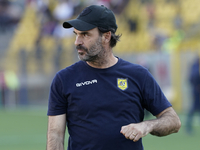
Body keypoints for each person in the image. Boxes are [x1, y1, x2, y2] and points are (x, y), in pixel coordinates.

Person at [47, 5, 181, 150]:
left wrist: (146, 126)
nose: (77, 41)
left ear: (106, 37)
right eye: (76, 34)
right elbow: (55, 135)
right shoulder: (64, 79)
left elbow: (173, 121)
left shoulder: (138, 75)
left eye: (85, 34)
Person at [186, 57, 200, 134]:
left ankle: (188, 127)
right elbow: (192, 78)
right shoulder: (195, 67)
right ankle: (188, 127)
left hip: (197, 91)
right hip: (196, 92)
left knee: (193, 109)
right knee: (193, 109)